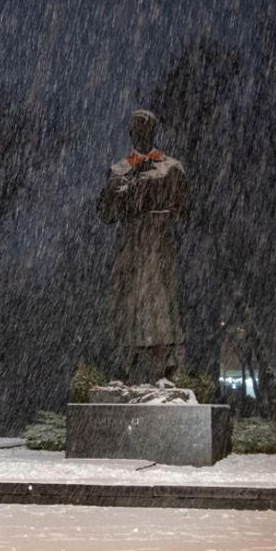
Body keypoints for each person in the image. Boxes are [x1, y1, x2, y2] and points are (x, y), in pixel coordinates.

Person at [97, 109, 190, 384]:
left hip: (157, 245)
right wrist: (118, 193)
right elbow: (105, 214)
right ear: (130, 133)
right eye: (135, 128)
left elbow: (184, 208)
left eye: (145, 127)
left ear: (153, 131)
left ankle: (161, 370)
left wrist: (148, 196)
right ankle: (127, 369)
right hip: (129, 247)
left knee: (159, 305)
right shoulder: (118, 169)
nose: (140, 132)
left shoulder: (170, 167)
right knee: (128, 304)